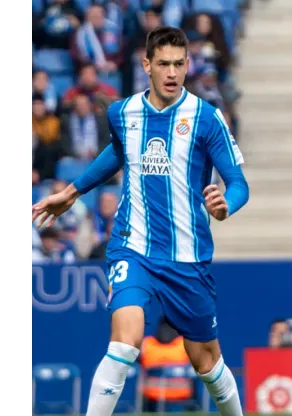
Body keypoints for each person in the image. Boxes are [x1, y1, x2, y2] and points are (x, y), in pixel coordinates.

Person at [31, 26, 249, 416]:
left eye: (179, 64)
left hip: (188, 258)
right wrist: (73, 191)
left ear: (187, 66)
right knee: (124, 343)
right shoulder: (122, 112)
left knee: (207, 363)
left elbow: (237, 183)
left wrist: (225, 205)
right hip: (134, 247)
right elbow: (118, 151)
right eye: (163, 64)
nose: (171, 73)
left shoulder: (206, 118)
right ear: (146, 65)